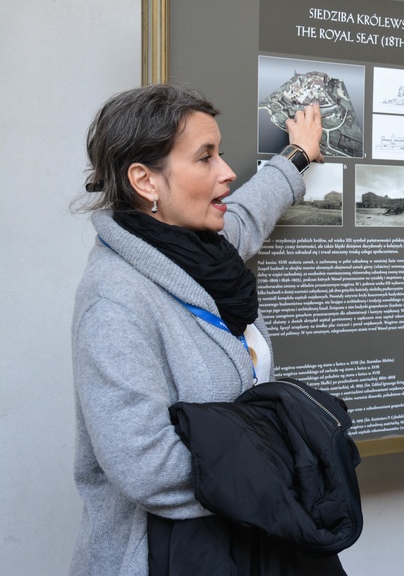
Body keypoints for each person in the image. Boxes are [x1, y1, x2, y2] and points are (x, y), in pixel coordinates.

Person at [71, 83, 331, 575]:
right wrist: (284, 459)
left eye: (222, 153)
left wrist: (298, 155)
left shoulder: (198, 249)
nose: (228, 172)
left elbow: (250, 213)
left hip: (250, 537)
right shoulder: (114, 303)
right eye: (205, 158)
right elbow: (146, 465)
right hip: (170, 556)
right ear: (145, 181)